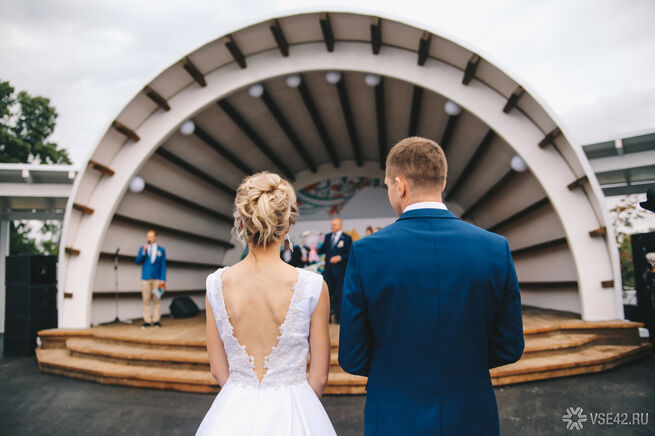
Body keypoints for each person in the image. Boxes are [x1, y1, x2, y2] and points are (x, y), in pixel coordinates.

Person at [339, 136, 524, 436]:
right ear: (443, 181)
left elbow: (353, 356)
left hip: (394, 417)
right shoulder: (495, 248)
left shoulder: (365, 252)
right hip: (471, 416)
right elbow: (509, 346)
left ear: (400, 185)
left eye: (387, 186)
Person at [197, 171, 336, 436]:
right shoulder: (313, 286)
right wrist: (301, 411)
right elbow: (319, 378)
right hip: (294, 410)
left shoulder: (216, 284)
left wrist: (242, 400)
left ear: (241, 224)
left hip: (233, 411)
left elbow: (217, 369)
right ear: (288, 225)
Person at [318, 217, 352, 323]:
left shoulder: (346, 238)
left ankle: (338, 317)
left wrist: (340, 257)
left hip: (340, 272)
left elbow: (350, 253)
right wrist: (313, 249)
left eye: (335, 224)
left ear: (340, 225)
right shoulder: (328, 237)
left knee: (339, 295)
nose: (333, 226)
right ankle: (327, 317)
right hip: (328, 272)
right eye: (332, 224)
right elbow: (323, 249)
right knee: (327, 295)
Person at [135, 229, 166, 328]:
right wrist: (143, 251)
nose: (149, 238)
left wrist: (163, 279)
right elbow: (138, 261)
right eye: (148, 236)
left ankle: (156, 320)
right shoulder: (143, 248)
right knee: (146, 300)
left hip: (157, 278)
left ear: (155, 237)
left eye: (151, 236)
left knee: (157, 299)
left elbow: (163, 265)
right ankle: (147, 321)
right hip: (146, 278)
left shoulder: (161, 250)